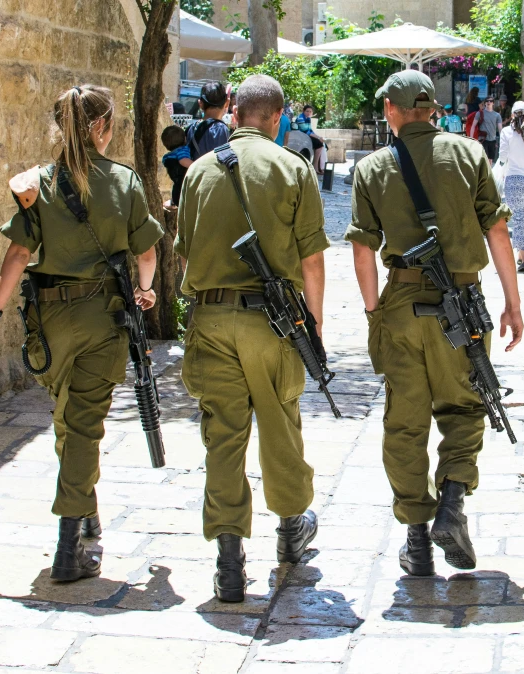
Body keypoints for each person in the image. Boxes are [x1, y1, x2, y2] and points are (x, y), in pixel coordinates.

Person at [0, 84, 164, 582]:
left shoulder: (38, 182)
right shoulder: (122, 182)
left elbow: (17, 255)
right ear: (102, 127)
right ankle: (68, 548)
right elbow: (147, 253)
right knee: (82, 424)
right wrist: (144, 293)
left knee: (68, 419)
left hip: (51, 322)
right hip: (103, 318)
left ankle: (86, 513)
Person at [346, 70, 523, 577]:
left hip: (401, 303)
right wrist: (513, 303)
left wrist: (373, 311)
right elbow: (498, 228)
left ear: (392, 110)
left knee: (405, 420)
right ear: (430, 109)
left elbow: (362, 249)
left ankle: (417, 538)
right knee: (467, 405)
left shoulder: (374, 166)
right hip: (464, 302)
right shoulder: (469, 154)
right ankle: (451, 502)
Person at [175, 74, 329, 602]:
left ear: (235, 113)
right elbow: (312, 259)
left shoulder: (196, 172)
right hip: (272, 323)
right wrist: (315, 321)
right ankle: (289, 533)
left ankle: (228, 559)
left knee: (223, 434)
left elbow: (185, 247)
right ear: (280, 117)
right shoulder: (294, 168)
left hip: (211, 319)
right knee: (280, 422)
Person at [499, 101, 524, 272]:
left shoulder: (506, 132)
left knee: (518, 219)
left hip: (513, 180)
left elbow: (502, 156)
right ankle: (521, 254)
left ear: (512, 114)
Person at [186, 81, 230, 160]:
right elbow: (223, 161)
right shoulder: (220, 129)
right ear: (227, 103)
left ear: (200, 104)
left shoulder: (191, 128)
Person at [161, 125, 193, 208]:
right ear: (185, 139)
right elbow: (183, 161)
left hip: (177, 189)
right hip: (185, 188)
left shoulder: (169, 156)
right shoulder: (182, 150)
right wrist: (197, 164)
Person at [296, 104, 327, 175]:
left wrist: (318, 137)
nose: (309, 113)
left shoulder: (308, 118)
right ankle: (315, 166)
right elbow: (305, 131)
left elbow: (310, 130)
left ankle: (320, 167)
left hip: (307, 135)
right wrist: (318, 137)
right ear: (303, 111)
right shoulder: (301, 118)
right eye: (307, 111)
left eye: (310, 111)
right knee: (319, 145)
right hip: (302, 136)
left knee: (323, 144)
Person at [470, 97, 502, 163]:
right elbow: (473, 126)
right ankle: (484, 172)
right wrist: (471, 138)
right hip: (483, 139)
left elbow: (500, 129)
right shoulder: (480, 113)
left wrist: (501, 140)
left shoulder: (497, 115)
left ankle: (488, 172)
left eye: (490, 101)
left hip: (493, 139)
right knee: (484, 158)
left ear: (493, 103)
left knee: (490, 159)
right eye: (487, 101)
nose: (488, 102)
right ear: (485, 103)